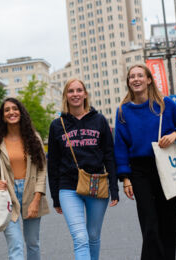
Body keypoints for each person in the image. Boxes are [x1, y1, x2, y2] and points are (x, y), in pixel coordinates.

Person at [114, 65, 176, 260]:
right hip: (139, 170)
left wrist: (175, 134)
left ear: (149, 79)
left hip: (165, 166)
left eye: (140, 75)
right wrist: (125, 178)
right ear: (128, 82)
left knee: (167, 222)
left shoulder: (164, 104)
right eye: (132, 76)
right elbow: (120, 145)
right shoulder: (123, 111)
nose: (136, 79)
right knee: (149, 225)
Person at [48, 79, 119, 260]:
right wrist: (55, 197)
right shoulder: (57, 125)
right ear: (66, 95)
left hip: (96, 184)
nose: (75, 94)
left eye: (79, 90)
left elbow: (109, 155)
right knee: (80, 237)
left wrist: (114, 188)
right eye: (71, 91)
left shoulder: (100, 120)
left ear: (85, 94)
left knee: (93, 236)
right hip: (68, 188)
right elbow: (53, 163)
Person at [0, 97, 49, 260]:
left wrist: (36, 199)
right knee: (16, 245)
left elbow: (42, 171)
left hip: (31, 193)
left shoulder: (34, 138)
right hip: (8, 196)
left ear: (21, 112)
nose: (11, 112)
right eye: (7, 110)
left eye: (15, 108)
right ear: (2, 116)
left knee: (33, 243)